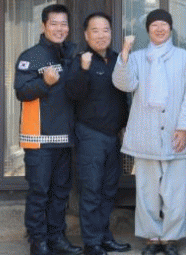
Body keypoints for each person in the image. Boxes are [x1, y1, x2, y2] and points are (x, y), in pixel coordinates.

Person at [112, 9, 186, 255]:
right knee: (146, 191)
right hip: (145, 132)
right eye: (154, 25)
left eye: (164, 25)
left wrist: (185, 129)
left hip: (175, 133)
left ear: (170, 28)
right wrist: (124, 55)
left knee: (175, 191)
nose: (160, 29)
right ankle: (152, 238)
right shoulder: (138, 57)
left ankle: (170, 239)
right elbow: (124, 84)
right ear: (148, 30)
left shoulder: (184, 57)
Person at [14, 4, 82, 255]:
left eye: (64, 24)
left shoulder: (70, 55)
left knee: (60, 192)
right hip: (39, 138)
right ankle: (38, 241)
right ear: (44, 26)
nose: (59, 28)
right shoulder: (31, 56)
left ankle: (57, 238)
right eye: (54, 23)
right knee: (39, 192)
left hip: (64, 137)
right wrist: (45, 82)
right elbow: (22, 91)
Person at [65, 13, 131, 255]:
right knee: (91, 190)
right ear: (86, 34)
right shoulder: (80, 61)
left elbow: (124, 95)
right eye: (95, 30)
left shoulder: (117, 60)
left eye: (105, 30)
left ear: (111, 33)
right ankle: (92, 243)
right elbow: (73, 94)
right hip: (90, 135)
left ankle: (104, 237)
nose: (101, 35)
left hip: (114, 136)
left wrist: (125, 126)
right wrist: (83, 70)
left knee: (109, 190)